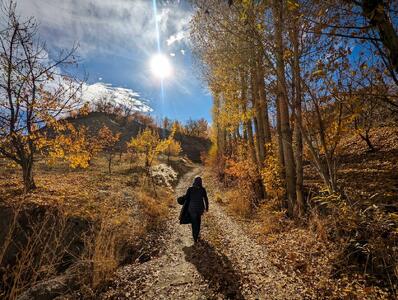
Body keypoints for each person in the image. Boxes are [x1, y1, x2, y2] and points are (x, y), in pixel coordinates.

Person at [184, 176, 209, 243]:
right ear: (201, 182)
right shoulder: (202, 189)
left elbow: (186, 197)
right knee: (198, 221)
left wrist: (181, 198)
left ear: (194, 181)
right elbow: (206, 199)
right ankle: (197, 234)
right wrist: (207, 207)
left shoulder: (190, 189)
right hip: (200, 209)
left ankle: (195, 237)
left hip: (192, 209)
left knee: (194, 222)